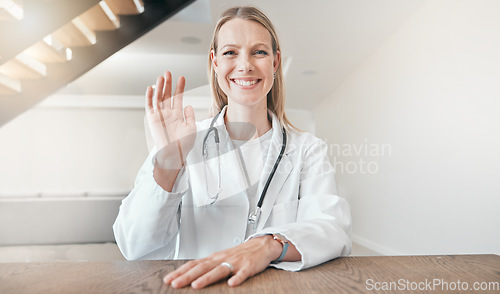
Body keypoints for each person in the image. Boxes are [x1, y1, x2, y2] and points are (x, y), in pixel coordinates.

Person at [113, 6, 351, 289]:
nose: (245, 65)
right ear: (214, 61)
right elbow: (133, 246)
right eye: (230, 52)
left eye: (259, 52)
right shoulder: (182, 140)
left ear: (275, 62)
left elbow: (332, 229)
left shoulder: (308, 149)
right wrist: (169, 164)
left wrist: (268, 245)